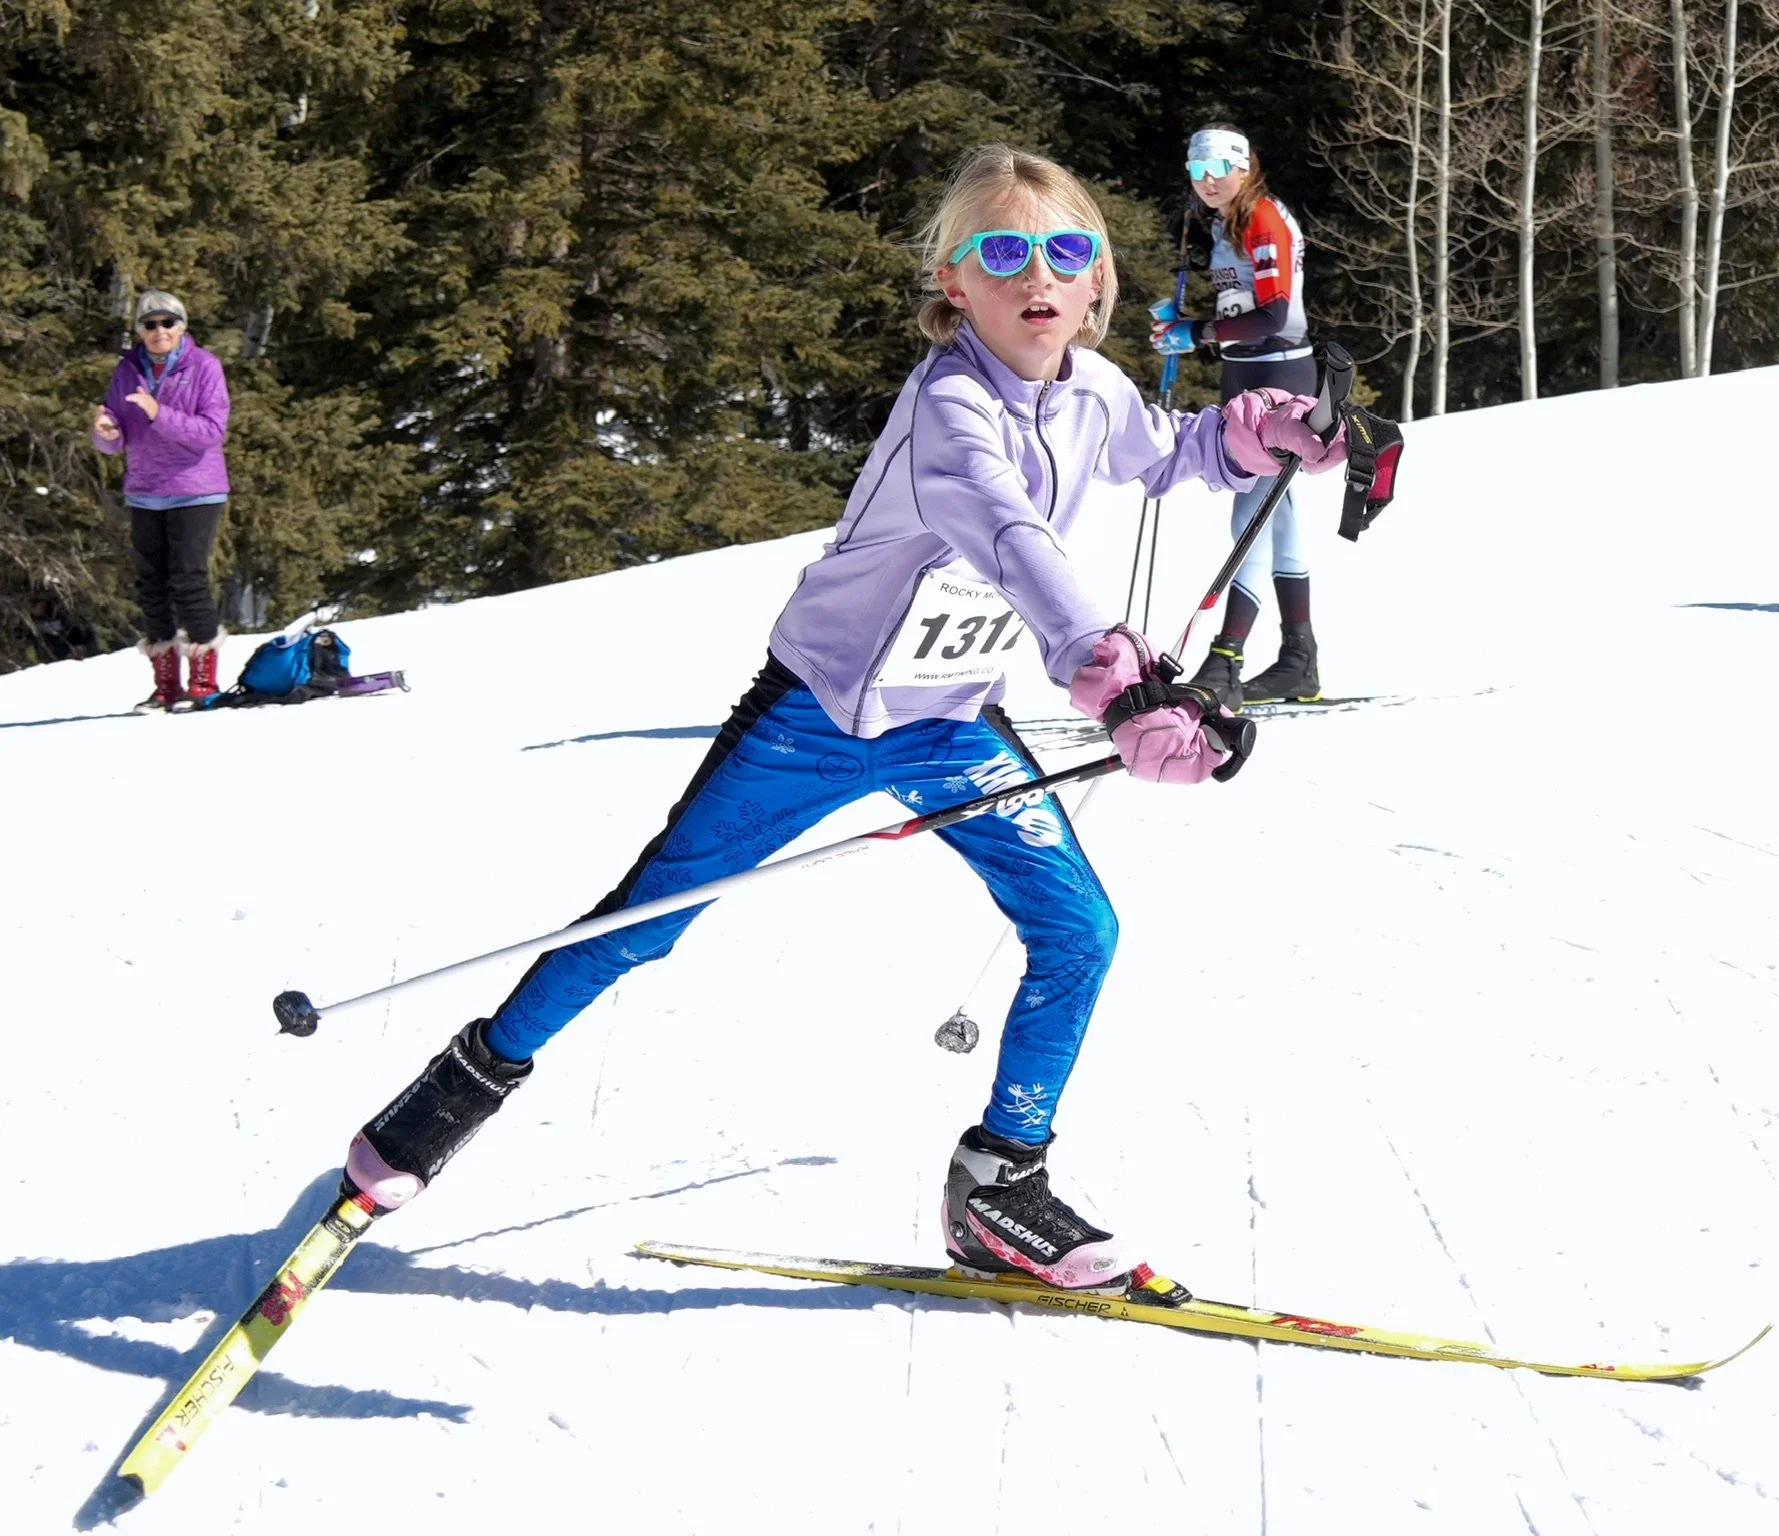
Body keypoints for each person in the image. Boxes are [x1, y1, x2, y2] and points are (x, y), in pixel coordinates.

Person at [337, 145, 1346, 1291]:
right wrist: (1111, 677)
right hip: (814, 714)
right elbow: (1007, 537)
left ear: (1098, 278)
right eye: (1002, 252)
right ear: (951, 284)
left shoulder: (1092, 390)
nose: (1040, 278)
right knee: (642, 924)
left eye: (1066, 252)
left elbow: (1163, 455)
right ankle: (446, 1098)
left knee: (1078, 931)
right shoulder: (948, 410)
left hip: (952, 721)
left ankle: (1001, 1189)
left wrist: (1256, 433)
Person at [1151, 125, 1320, 708]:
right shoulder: (1227, 225)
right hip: (1246, 374)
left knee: (1249, 513)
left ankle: (1226, 658)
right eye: (1196, 172)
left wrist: (1193, 333)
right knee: (1278, 516)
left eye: (1219, 168)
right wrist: (1186, 324)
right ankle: (1300, 658)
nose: (1208, 181)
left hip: (1278, 375)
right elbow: (1241, 305)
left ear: (1244, 167)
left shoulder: (1262, 220)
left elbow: (1273, 315)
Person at [90, 290, 233, 711]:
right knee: (151, 586)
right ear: (139, 331)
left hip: (196, 489)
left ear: (182, 327)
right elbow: (113, 433)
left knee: (187, 581)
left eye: (167, 322)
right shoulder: (128, 369)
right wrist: (106, 431)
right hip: (145, 490)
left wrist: (157, 412)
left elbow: (211, 431)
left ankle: (204, 681)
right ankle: (166, 685)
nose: (159, 331)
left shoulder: (204, 366)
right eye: (149, 324)